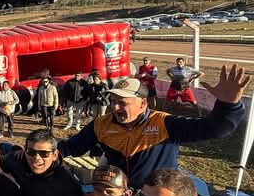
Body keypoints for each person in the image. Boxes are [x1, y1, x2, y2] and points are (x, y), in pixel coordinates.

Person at [57, 64, 250, 189]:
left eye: (122, 103)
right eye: (113, 101)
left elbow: (214, 129)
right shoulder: (102, 124)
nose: (114, 108)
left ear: (143, 104)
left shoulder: (163, 123)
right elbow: (71, 147)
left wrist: (228, 106)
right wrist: (44, 153)